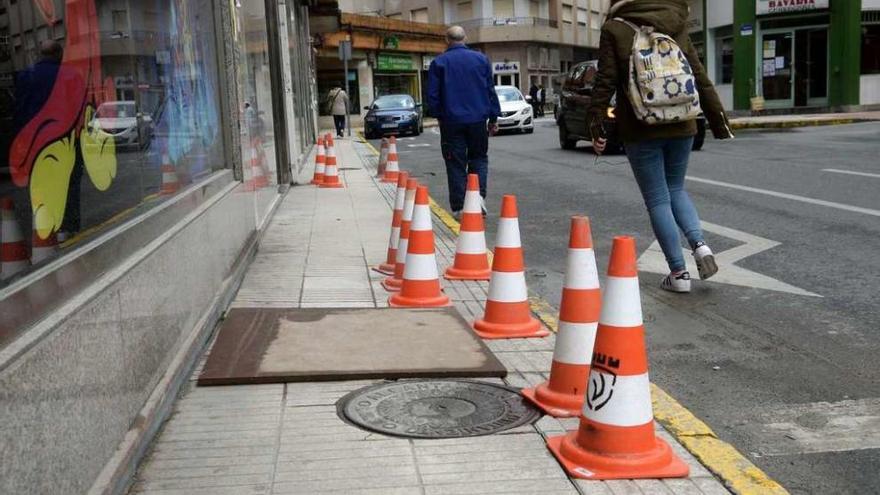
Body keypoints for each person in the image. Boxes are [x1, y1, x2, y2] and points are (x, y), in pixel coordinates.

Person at [589, 0, 734, 294]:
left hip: (642, 126)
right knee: (676, 188)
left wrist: (596, 127)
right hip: (683, 122)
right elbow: (698, 73)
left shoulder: (615, 28)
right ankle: (701, 246)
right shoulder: (675, 19)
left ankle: (678, 273)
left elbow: (604, 82)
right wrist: (719, 122)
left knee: (657, 199)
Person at [427, 26, 501, 219]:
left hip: (451, 121)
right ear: (465, 38)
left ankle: (460, 208)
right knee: (478, 158)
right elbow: (489, 90)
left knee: (455, 163)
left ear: (446, 40)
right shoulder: (481, 60)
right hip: (477, 120)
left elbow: (433, 95)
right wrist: (493, 118)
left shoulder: (439, 63)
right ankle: (478, 199)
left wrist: (439, 116)